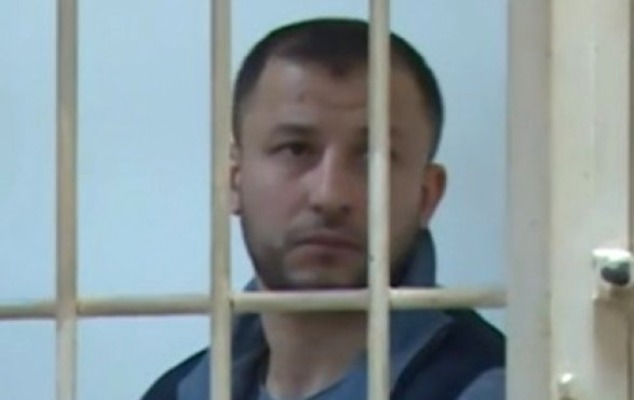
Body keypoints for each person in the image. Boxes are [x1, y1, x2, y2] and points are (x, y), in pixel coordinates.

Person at [142, 17, 505, 400]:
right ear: (234, 180)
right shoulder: (175, 394)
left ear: (427, 195)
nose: (329, 195)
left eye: (374, 157)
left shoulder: (499, 387)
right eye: (295, 149)